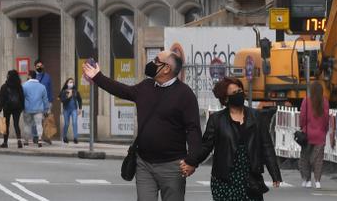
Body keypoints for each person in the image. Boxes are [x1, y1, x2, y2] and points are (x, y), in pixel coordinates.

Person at [84, 43, 202, 201]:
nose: (151, 64)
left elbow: (193, 129)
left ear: (166, 69)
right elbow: (122, 90)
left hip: (172, 166)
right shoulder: (146, 86)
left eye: (156, 61)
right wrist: (98, 76)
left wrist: (192, 160)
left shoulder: (185, 94)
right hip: (144, 163)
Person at [183, 77, 282, 200]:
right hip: (224, 179)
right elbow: (206, 146)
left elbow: (266, 145)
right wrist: (191, 162)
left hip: (250, 179)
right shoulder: (217, 120)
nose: (239, 94)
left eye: (240, 91)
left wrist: (275, 173)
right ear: (226, 98)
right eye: (234, 93)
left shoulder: (256, 116)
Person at [297, 81, 329, 188]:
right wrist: (324, 130)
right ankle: (318, 181)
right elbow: (326, 119)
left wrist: (302, 127)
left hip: (307, 134)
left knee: (305, 157)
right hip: (320, 135)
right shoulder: (324, 102)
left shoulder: (306, 101)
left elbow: (302, 117)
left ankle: (307, 180)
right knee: (318, 159)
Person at [0, 70, 25, 148]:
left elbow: (1, 99)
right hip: (17, 108)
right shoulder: (19, 86)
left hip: (7, 108)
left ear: (8, 76)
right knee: (16, 124)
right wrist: (22, 107)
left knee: (6, 125)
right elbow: (22, 97)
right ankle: (19, 140)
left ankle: (5, 142)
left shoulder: (4, 86)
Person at [21, 70, 50, 147]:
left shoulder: (24, 86)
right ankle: (40, 139)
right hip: (38, 109)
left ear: (29, 76)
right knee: (39, 124)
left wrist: (21, 107)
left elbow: (22, 97)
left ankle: (26, 140)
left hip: (27, 108)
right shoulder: (42, 86)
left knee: (27, 124)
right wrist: (46, 109)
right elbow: (45, 99)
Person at [58, 77, 82, 144]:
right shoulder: (63, 92)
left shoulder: (75, 91)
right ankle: (64, 137)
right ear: (67, 83)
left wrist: (80, 108)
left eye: (72, 82)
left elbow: (79, 100)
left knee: (74, 123)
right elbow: (63, 101)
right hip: (66, 110)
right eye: (70, 82)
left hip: (74, 109)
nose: (71, 83)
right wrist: (69, 96)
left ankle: (75, 138)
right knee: (66, 123)